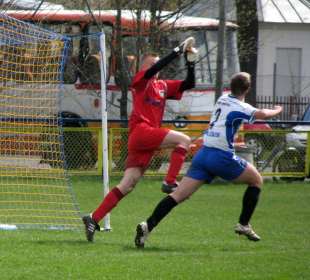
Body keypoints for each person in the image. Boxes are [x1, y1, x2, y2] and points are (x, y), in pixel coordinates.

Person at [134, 72, 283, 248]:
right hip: (221, 156)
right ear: (248, 89)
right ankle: (243, 224)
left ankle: (148, 225)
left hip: (203, 154)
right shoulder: (240, 107)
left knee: (178, 195)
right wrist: (277, 109)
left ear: (230, 85)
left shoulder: (222, 98)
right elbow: (263, 114)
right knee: (257, 181)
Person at [82, 37, 198, 242]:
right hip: (141, 131)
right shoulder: (141, 80)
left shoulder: (162, 85)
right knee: (184, 140)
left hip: (145, 139)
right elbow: (154, 70)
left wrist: (190, 62)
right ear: (143, 67)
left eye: (157, 64)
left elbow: (190, 83)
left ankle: (93, 218)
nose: (157, 68)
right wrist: (176, 51)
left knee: (127, 185)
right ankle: (170, 182)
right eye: (152, 64)